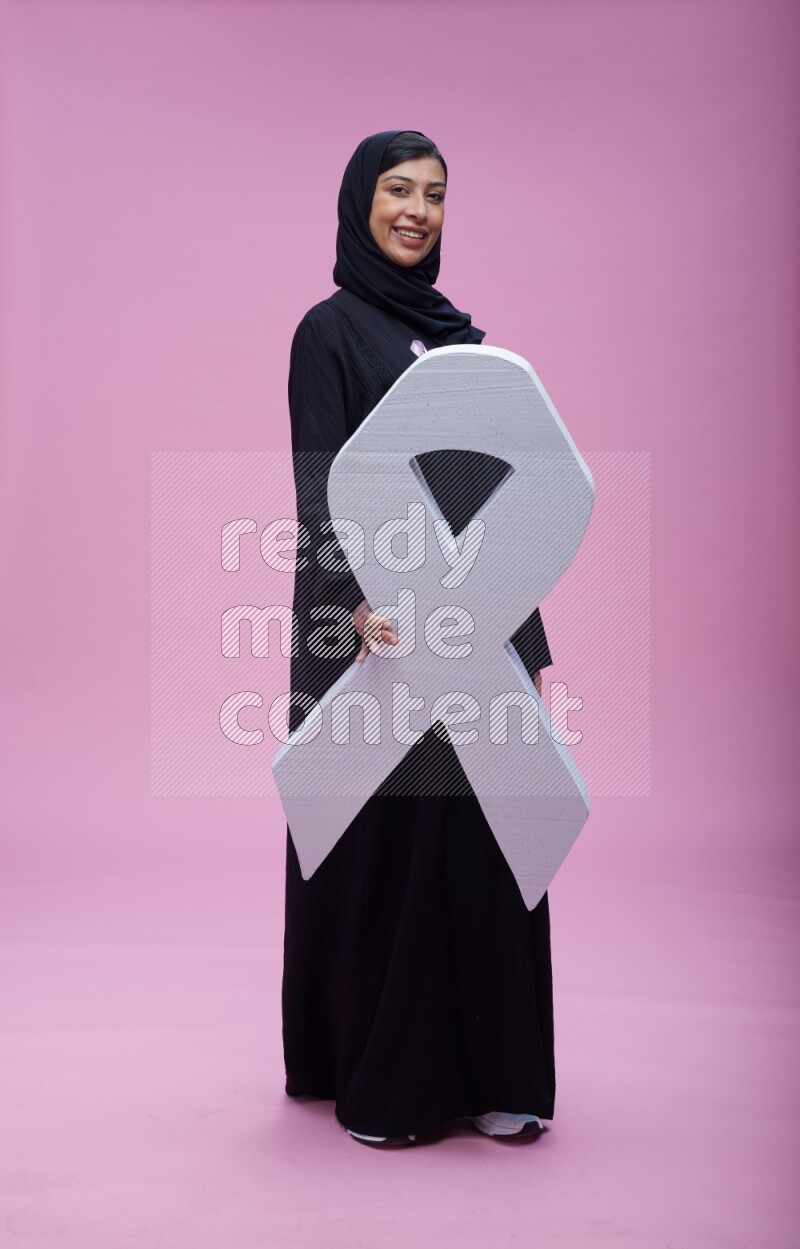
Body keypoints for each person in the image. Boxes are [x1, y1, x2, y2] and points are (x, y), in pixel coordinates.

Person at [281, 130, 556, 1147]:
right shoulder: (329, 332)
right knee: (389, 848)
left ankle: (494, 1074)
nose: (416, 209)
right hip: (376, 627)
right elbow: (317, 484)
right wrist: (352, 605)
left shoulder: (462, 345)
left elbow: (501, 497)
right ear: (360, 200)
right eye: (397, 189)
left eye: (435, 194)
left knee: (486, 844)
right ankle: (384, 1082)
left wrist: (528, 641)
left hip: (473, 622)